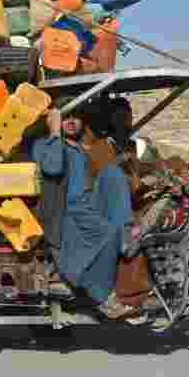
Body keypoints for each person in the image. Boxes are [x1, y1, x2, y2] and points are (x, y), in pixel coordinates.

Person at [30, 101, 138, 319]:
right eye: (65, 116)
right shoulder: (44, 144)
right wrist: (53, 131)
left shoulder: (82, 147)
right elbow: (53, 166)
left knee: (112, 174)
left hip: (88, 206)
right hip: (67, 213)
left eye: (76, 117)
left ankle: (125, 235)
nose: (71, 121)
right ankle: (103, 297)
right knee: (107, 233)